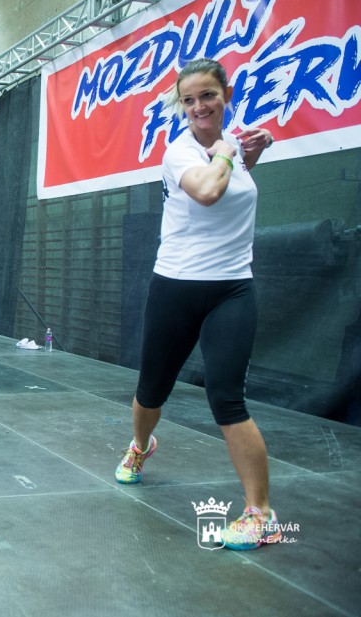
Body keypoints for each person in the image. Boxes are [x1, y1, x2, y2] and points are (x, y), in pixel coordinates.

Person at [114, 58, 278, 551]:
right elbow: (207, 191)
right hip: (177, 286)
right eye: (189, 100)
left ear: (226, 95)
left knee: (227, 398)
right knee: (152, 391)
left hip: (232, 288)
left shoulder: (231, 150)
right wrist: (228, 152)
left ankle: (260, 513)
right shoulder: (180, 152)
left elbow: (230, 188)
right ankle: (141, 446)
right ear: (181, 106)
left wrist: (249, 154)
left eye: (208, 95)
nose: (199, 106)